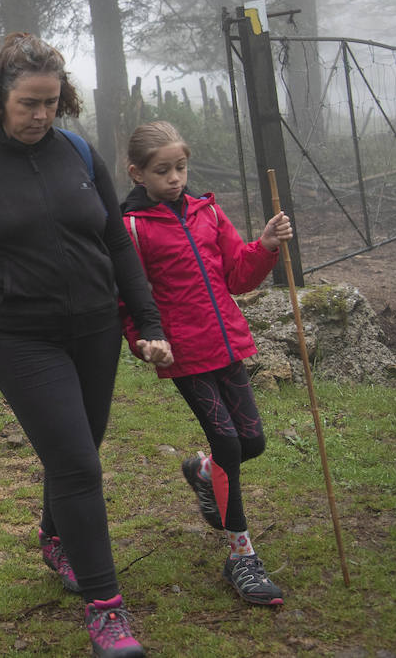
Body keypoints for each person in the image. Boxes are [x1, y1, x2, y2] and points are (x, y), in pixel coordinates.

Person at [0, 32, 172, 658]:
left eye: (51, 103)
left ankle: (56, 539)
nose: (40, 115)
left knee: (77, 450)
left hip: (95, 328)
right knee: (80, 465)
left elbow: (116, 243)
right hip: (20, 335)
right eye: (28, 103)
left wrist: (148, 323)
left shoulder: (80, 155)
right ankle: (106, 609)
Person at [121, 121, 291, 607]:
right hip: (184, 353)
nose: (175, 178)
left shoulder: (207, 211)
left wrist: (266, 245)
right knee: (228, 444)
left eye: (180, 167)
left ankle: (202, 471)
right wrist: (144, 342)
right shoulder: (131, 228)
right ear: (137, 173)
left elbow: (237, 275)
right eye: (162, 170)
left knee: (251, 441)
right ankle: (241, 556)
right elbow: (128, 299)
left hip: (227, 343)